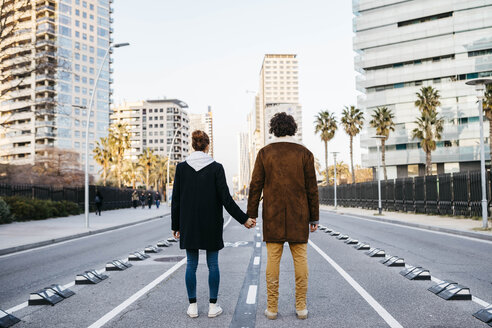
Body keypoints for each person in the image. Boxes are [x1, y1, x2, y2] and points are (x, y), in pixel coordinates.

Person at [172, 130, 256, 319]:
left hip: (189, 224)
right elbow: (226, 199)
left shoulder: (181, 168)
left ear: (192, 145)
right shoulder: (216, 168)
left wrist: (175, 225)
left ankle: (192, 307)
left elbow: (176, 200)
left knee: (191, 265)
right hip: (211, 223)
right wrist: (244, 219)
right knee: (213, 265)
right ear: (208, 145)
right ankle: (212, 306)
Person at [247, 112, 319, 320]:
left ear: (273, 129)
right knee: (301, 260)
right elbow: (312, 189)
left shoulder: (264, 153)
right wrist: (313, 217)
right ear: (293, 128)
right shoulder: (305, 153)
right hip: (299, 215)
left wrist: (251, 214)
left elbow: (255, 186)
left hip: (273, 215)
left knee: (273, 262)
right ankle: (301, 307)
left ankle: (271, 309)